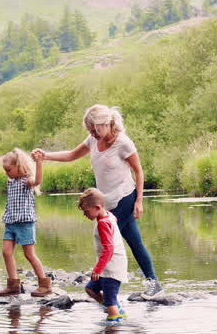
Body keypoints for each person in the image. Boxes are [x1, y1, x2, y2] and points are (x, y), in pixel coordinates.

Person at [33, 105, 163, 297]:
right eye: (90, 130)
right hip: (105, 201)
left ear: (107, 123)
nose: (93, 134)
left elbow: (138, 171)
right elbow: (71, 155)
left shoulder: (123, 143)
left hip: (125, 198)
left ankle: (101, 285)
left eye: (95, 130)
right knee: (134, 242)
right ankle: (153, 284)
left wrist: (139, 202)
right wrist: (46, 155)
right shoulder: (93, 140)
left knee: (104, 239)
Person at [0, 148, 52, 298]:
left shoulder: (26, 180)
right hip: (10, 223)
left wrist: (39, 163)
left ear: (18, 166)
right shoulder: (10, 181)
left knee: (29, 254)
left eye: (8, 169)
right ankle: (13, 285)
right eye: (5, 170)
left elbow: (38, 181)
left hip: (25, 223)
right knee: (6, 252)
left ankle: (44, 284)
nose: (6, 173)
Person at [78, 188, 127, 324]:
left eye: (86, 211)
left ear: (97, 207)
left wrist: (97, 269)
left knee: (110, 299)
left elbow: (109, 249)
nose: (84, 214)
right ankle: (116, 309)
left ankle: (113, 328)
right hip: (108, 266)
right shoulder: (108, 215)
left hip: (111, 268)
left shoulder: (103, 223)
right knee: (90, 289)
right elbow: (115, 220)